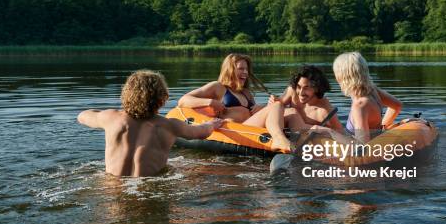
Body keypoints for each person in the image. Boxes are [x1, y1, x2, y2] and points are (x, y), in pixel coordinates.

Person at [78, 70, 224, 177]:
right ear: (162, 98)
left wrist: (103, 112)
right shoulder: (170, 125)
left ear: (126, 95)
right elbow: (200, 133)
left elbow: (82, 116)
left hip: (112, 188)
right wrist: (211, 124)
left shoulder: (111, 118)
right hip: (148, 188)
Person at [244, 65, 343, 152]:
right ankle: (279, 140)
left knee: (292, 113)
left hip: (298, 139)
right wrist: (268, 104)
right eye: (299, 87)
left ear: (317, 88)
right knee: (288, 110)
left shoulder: (324, 109)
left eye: (306, 88)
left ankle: (282, 141)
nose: (301, 92)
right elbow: (275, 108)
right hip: (275, 130)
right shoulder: (292, 92)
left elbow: (340, 132)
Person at [332, 52, 402, 143]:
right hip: (376, 142)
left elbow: (362, 146)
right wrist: (383, 126)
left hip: (368, 153)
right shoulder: (372, 90)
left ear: (342, 76)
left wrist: (330, 132)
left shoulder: (360, 105)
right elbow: (397, 105)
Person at [177, 53, 267, 123]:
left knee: (275, 105)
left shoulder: (246, 93)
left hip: (251, 129)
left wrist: (261, 108)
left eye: (246, 69)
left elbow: (254, 115)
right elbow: (183, 100)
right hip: (231, 132)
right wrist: (210, 102)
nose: (245, 72)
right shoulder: (218, 87)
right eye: (241, 69)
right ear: (230, 70)